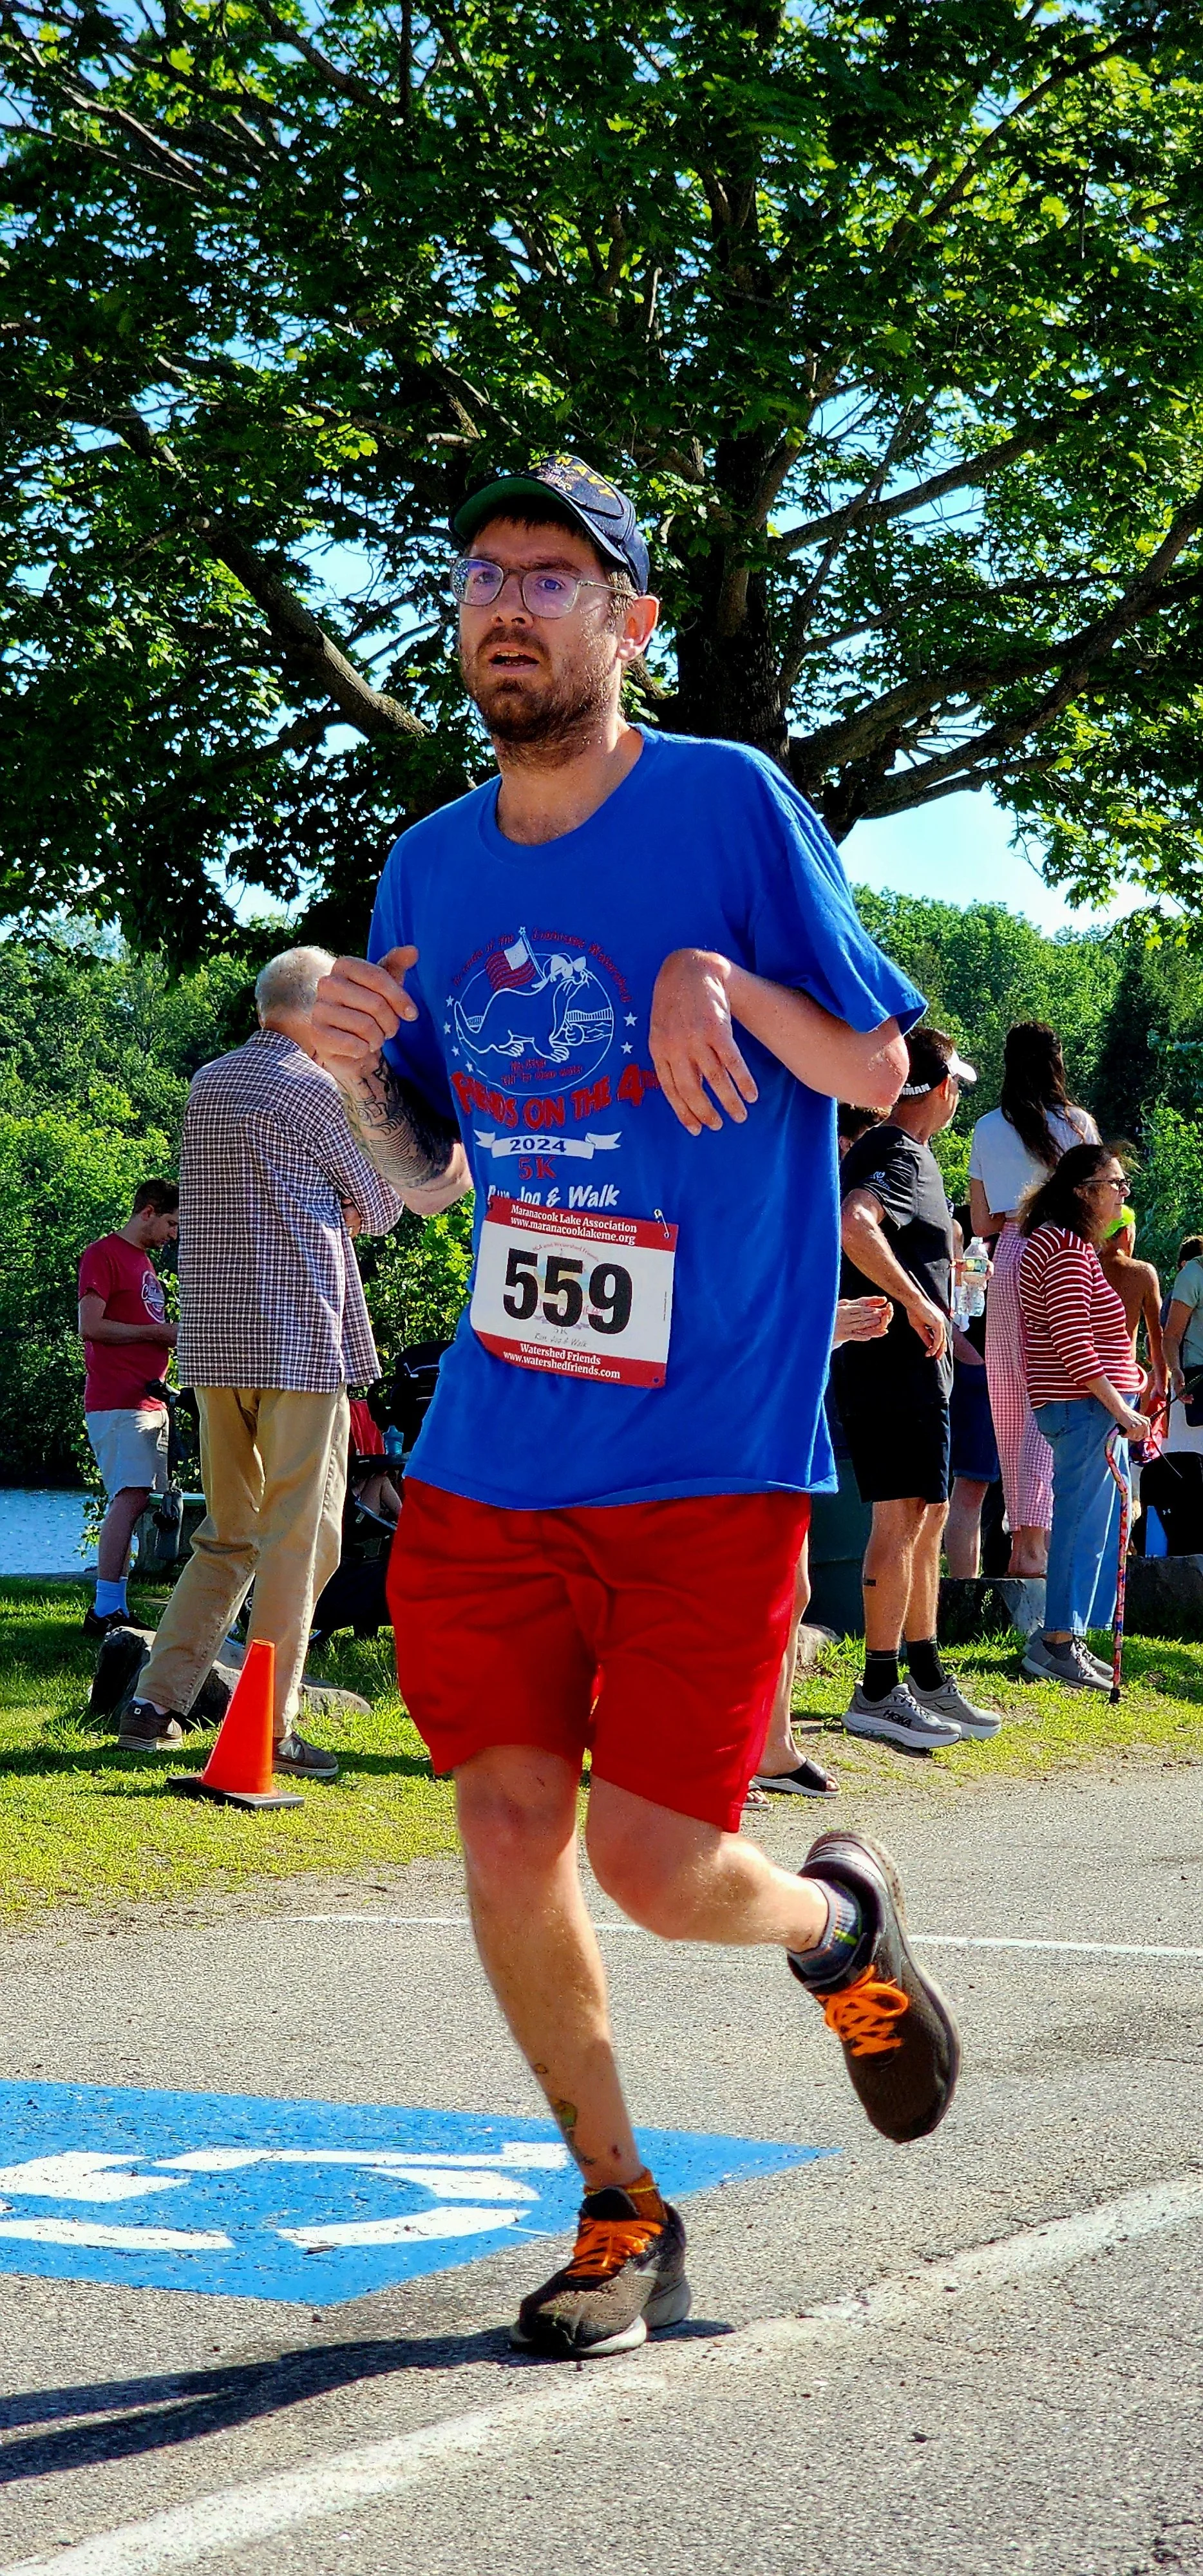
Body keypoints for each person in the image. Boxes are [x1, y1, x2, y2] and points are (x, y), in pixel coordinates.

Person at [309, 453, 962, 2362]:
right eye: (476, 575)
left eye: (554, 574)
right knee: (509, 1829)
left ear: (629, 620)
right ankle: (617, 2207)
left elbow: (881, 1059)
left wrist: (716, 980)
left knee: (660, 1870)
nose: (506, 604)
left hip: (703, 1437)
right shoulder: (429, 859)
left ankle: (835, 1933)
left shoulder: (726, 801)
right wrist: (358, 1078)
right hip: (501, 1439)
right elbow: (431, 1165)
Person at [120, 947, 403, 1763]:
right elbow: (382, 1206)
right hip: (299, 1340)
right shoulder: (314, 1088)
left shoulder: (208, 1082)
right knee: (302, 1538)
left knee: (230, 1530)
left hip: (215, 1344)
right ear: (317, 1009)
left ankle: (153, 1701)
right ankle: (270, 1725)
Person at [834, 1026, 999, 1749]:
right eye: (957, 1083)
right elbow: (853, 1225)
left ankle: (924, 1673)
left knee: (927, 1518)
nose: (959, 1094)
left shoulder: (919, 1159)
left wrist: (942, 1288)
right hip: (889, 1367)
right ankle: (876, 1689)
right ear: (937, 1088)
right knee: (899, 1520)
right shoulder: (892, 1151)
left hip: (919, 1368)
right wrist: (914, 1301)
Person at [1016, 1144, 1150, 1690]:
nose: (1122, 1192)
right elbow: (1073, 1343)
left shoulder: (1060, 1242)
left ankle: (1068, 1637)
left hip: (1086, 1410)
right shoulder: (1066, 1248)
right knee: (1078, 1526)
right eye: (1114, 1182)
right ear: (1082, 1190)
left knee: (1093, 1526)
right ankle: (1056, 1642)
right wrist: (1119, 1406)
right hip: (1085, 1411)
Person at [968, 1023, 1099, 1578]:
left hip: (1010, 1257)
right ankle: (1045, 1551)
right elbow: (1098, 1208)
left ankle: (1025, 1540)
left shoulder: (986, 1127)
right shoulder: (1078, 1125)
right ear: (1056, 1063)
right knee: (1067, 1390)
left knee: (1016, 1403)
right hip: (1066, 1255)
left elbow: (980, 1222)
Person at [751, 1291, 891, 1800]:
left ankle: (771, 1747)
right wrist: (823, 1323)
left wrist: (828, 1328)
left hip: (787, 1417)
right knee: (746, 1594)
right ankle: (712, 1751)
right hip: (741, 1424)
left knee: (792, 1590)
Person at [77, 1180, 180, 1638]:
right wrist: (158, 1335)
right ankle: (104, 1609)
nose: (174, 1235)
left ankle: (116, 1605)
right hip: (118, 1400)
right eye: (172, 1223)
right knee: (129, 1497)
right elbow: (91, 1326)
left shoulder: (144, 1263)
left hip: (148, 1397)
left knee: (140, 1499)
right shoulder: (104, 1254)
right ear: (149, 1212)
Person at [944, 1205, 1001, 1580]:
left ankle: (967, 1585)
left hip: (995, 1375)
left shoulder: (1020, 1229)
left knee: (976, 1491)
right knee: (966, 1488)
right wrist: (973, 1359)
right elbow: (941, 1298)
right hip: (970, 1374)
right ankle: (962, 1590)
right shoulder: (957, 1223)